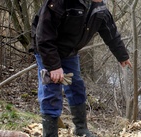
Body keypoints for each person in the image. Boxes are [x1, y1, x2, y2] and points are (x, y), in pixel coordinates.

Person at [30, 0, 132, 136]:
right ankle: (50, 134)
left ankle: (81, 129)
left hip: (70, 51)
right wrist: (54, 66)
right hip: (47, 49)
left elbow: (111, 33)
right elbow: (43, 34)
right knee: (51, 90)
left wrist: (122, 55)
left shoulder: (100, 8)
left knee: (77, 86)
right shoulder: (59, 2)